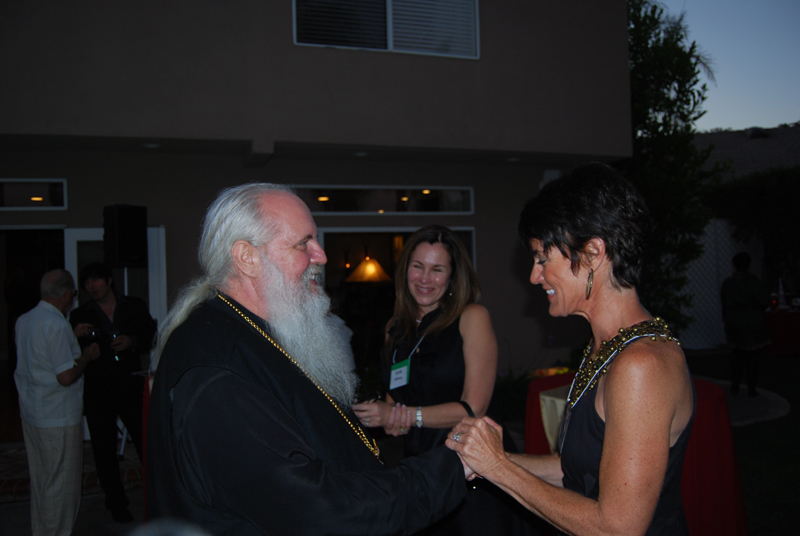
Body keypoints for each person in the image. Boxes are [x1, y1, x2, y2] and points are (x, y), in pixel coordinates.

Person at [146, 184, 468, 535]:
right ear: (247, 257)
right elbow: (319, 513)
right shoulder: (218, 372)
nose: (322, 255)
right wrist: (450, 468)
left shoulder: (260, 332)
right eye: (303, 243)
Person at [447, 163, 696, 536]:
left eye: (542, 258)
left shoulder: (641, 365)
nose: (534, 276)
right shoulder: (605, 348)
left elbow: (617, 529)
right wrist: (485, 460)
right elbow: (575, 468)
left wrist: (499, 466)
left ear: (593, 253)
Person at [353, 225, 535, 535]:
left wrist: (406, 416)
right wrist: (386, 418)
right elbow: (395, 405)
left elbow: (473, 408)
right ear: (405, 269)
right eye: (418, 266)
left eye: (437, 270)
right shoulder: (394, 327)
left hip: (472, 467)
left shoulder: (471, 317)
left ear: (452, 277)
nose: (425, 279)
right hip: (422, 468)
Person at [68, 261, 157, 523]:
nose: (91, 286)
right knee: (104, 450)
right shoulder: (80, 315)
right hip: (98, 390)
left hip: (130, 386)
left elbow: (151, 334)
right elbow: (67, 351)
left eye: (96, 280)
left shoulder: (133, 305)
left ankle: (156, 496)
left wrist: (132, 341)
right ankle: (116, 503)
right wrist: (75, 337)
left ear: (109, 281)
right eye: (87, 283)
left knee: (145, 443)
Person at [14, 269, 100, 536]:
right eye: (73, 293)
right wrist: (86, 357)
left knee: (42, 481)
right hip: (58, 418)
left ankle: (41, 530)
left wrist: (71, 336)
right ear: (65, 294)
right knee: (61, 487)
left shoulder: (26, 320)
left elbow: (43, 355)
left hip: (33, 414)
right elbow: (65, 377)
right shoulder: (56, 324)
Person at [721, 252, 771, 396]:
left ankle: (735, 386)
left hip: (735, 323)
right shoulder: (754, 283)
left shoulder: (729, 283)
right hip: (752, 323)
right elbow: (765, 302)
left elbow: (725, 303)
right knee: (753, 358)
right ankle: (751, 388)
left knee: (737, 356)